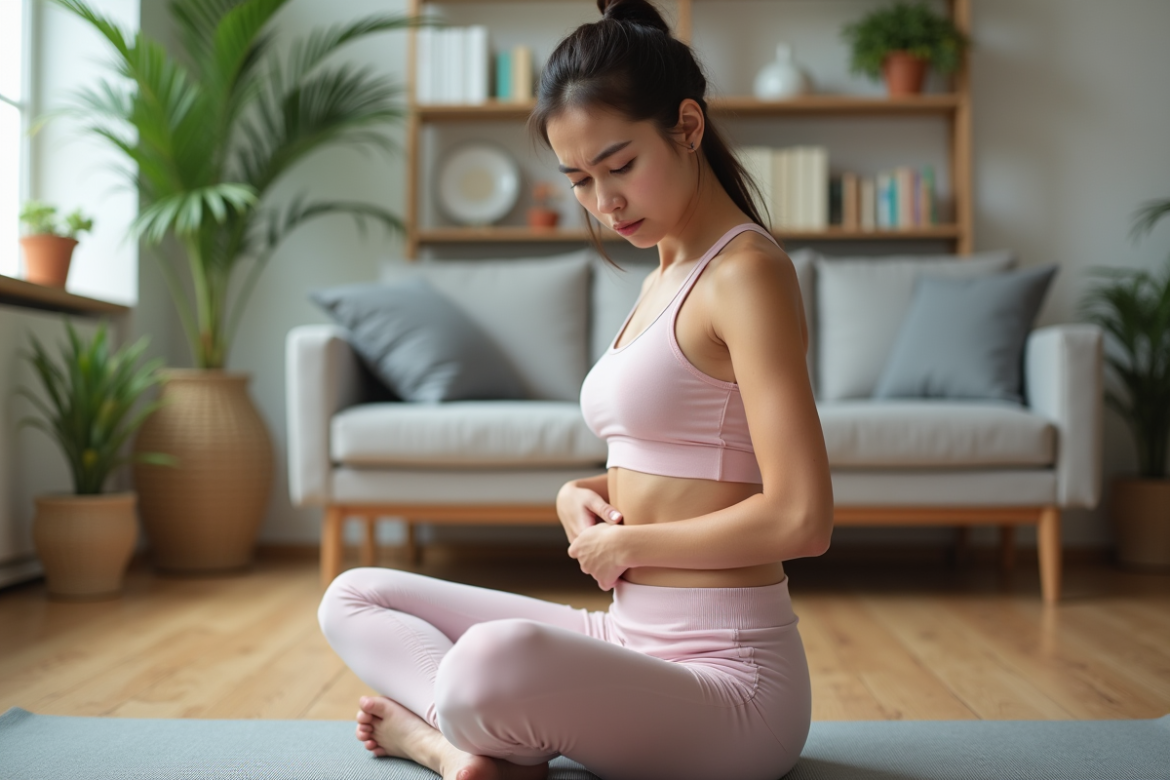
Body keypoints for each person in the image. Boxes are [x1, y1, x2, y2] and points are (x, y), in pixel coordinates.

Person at [317, 1, 834, 778]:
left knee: (490, 662)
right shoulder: (666, 271)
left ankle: (443, 740)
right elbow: (692, 463)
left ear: (687, 127)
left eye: (620, 166)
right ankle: (471, 737)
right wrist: (579, 492)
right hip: (627, 634)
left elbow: (803, 516)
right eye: (580, 180)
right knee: (353, 596)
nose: (603, 202)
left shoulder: (747, 274)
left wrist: (630, 544)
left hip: (732, 684)